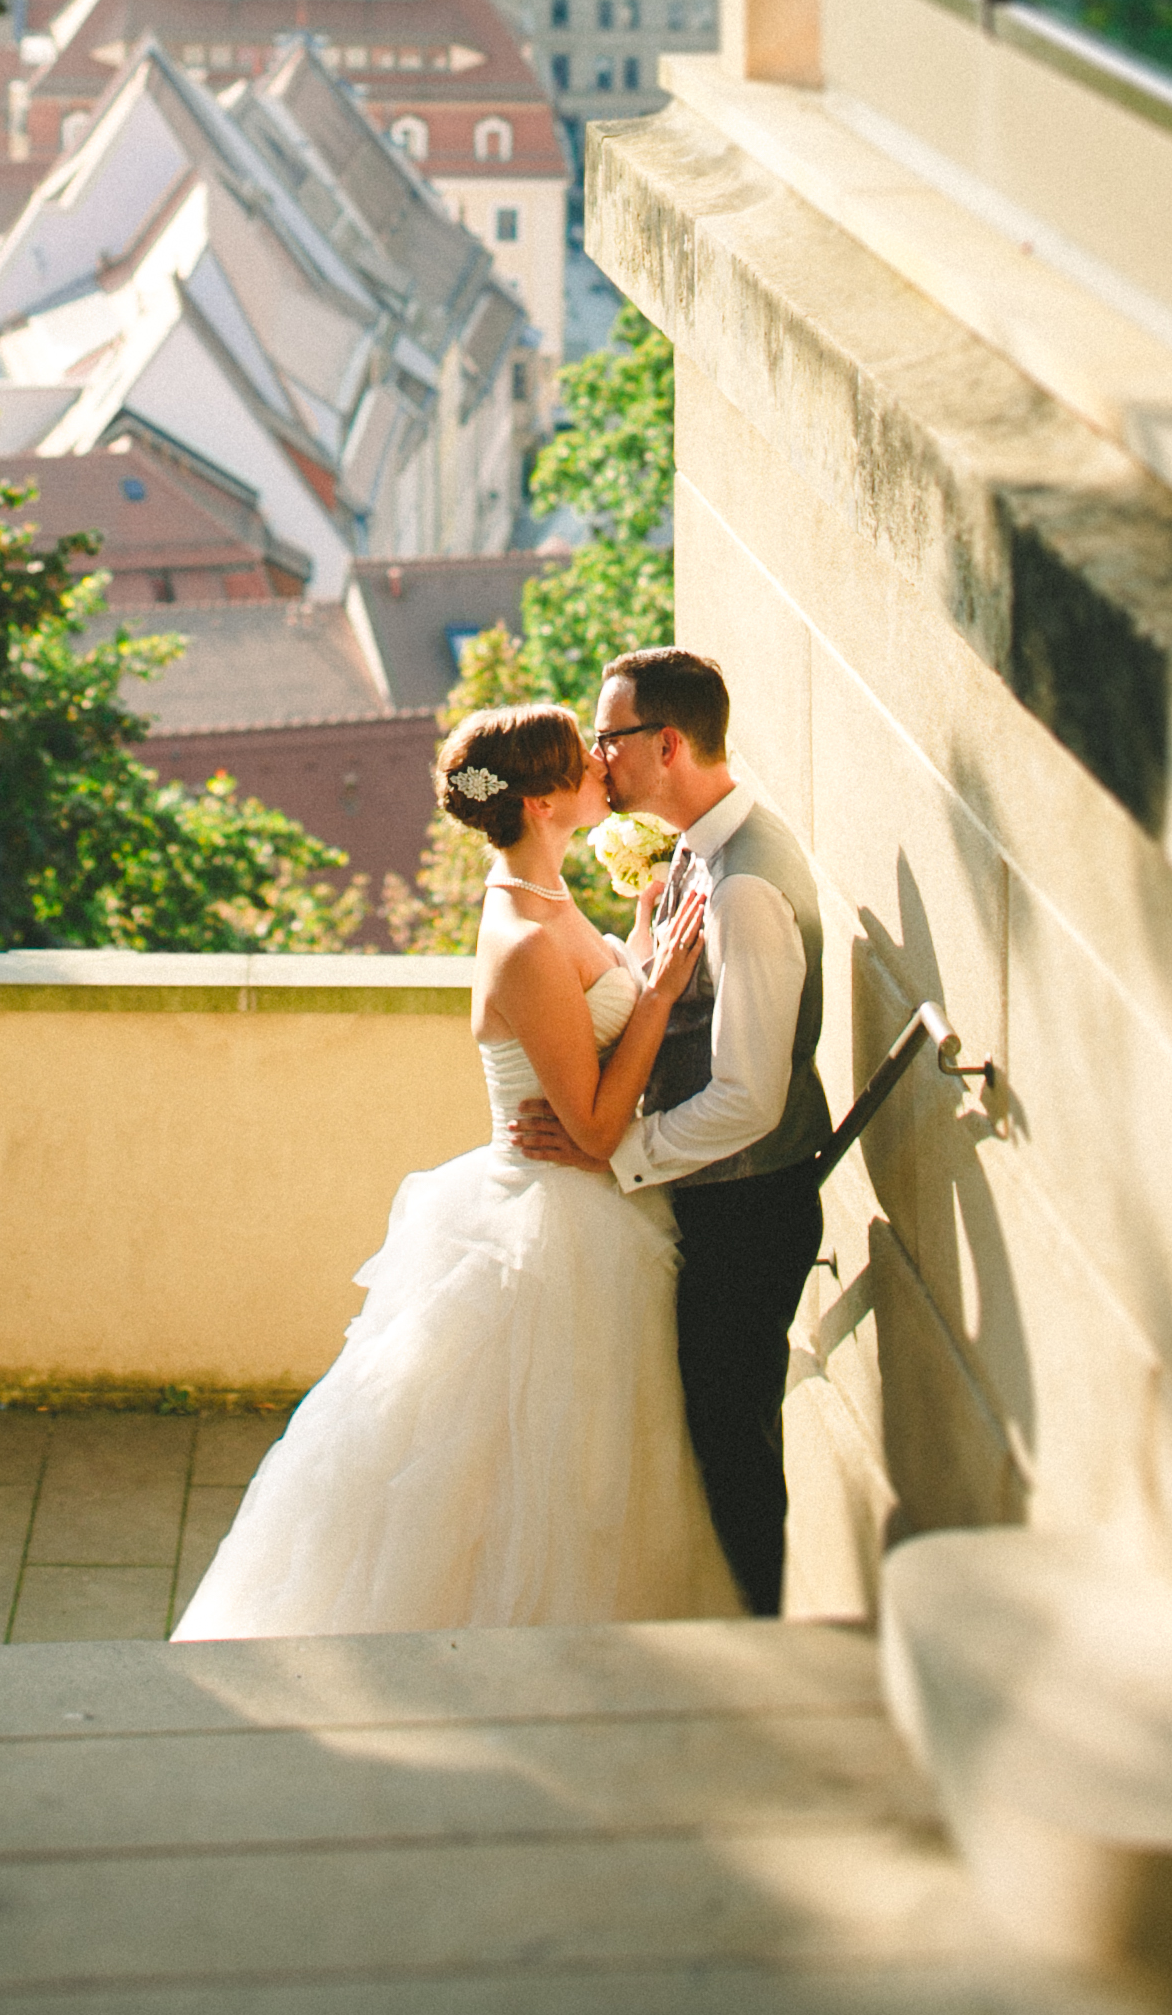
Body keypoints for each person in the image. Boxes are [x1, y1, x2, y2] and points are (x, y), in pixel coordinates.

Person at [170, 695, 742, 1638]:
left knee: (591, 1475)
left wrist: (642, 938)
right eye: (583, 759)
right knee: (527, 1486)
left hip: (584, 1207)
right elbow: (595, 1129)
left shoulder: (549, 900)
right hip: (553, 1230)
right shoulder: (518, 941)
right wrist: (665, 992)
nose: (605, 765)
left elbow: (597, 1010)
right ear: (545, 801)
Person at [511, 645, 829, 1617]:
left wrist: (616, 1156)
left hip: (746, 1213)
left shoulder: (743, 887)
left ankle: (763, 1642)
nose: (598, 760)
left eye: (609, 739)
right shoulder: (694, 852)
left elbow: (748, 1100)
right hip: (714, 1203)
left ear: (669, 743)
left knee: (731, 1443)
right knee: (704, 1435)